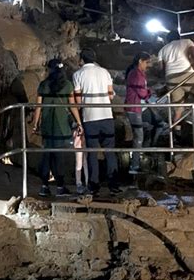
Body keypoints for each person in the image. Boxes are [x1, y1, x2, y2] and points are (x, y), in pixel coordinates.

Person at [73, 48, 120, 196]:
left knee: (92, 152)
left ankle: (94, 185)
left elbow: (79, 100)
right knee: (110, 151)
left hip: (90, 117)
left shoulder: (78, 74)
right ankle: (113, 184)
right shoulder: (104, 72)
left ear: (82, 59)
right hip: (106, 115)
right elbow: (111, 95)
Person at [32, 59, 83, 198]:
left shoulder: (43, 85)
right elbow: (72, 106)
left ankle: (44, 186)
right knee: (59, 156)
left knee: (47, 155)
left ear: (49, 70)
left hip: (47, 125)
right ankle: (60, 187)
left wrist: (35, 124)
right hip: (61, 126)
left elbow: (38, 107)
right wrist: (79, 122)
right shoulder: (67, 85)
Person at [158, 30, 194, 126]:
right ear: (179, 36)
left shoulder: (162, 49)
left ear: (167, 40)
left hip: (171, 79)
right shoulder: (187, 41)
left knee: (178, 109)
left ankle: (176, 131)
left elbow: (160, 68)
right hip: (187, 75)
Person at [125, 52, 151, 173]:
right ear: (140, 61)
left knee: (152, 127)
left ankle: (142, 154)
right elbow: (142, 93)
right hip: (134, 108)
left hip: (137, 107)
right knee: (139, 135)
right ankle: (134, 165)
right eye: (147, 62)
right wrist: (149, 93)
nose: (148, 65)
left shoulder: (138, 73)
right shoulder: (136, 74)